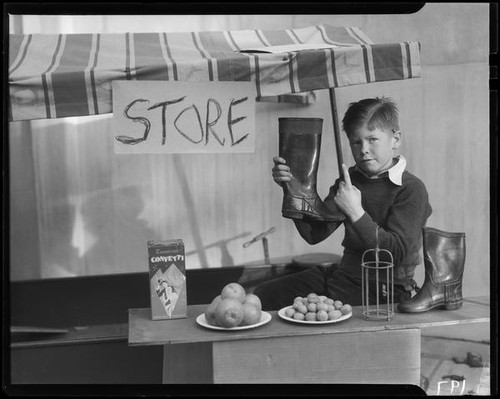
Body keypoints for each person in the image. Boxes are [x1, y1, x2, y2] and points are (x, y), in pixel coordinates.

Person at [254, 97, 432, 310]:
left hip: (385, 288)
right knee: (266, 294)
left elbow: (394, 254)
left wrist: (355, 212)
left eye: (372, 139)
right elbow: (314, 234)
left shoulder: (411, 189)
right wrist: (292, 188)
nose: (363, 149)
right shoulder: (350, 180)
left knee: (322, 318)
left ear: (395, 139)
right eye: (356, 142)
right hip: (343, 276)